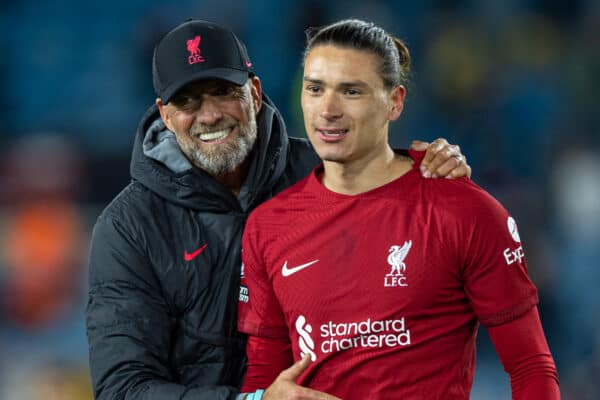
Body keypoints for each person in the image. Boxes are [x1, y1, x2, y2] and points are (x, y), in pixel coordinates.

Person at [85, 19, 472, 400]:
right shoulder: (128, 228)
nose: (209, 115)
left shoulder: (327, 170)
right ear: (165, 115)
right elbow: (123, 388)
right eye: (187, 101)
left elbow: (420, 271)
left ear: (254, 93)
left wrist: (435, 174)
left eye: (222, 91)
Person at [238, 19, 560, 399]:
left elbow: (530, 367)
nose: (328, 109)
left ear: (395, 102)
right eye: (315, 89)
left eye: (352, 91)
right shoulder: (268, 226)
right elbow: (263, 376)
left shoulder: (464, 212)